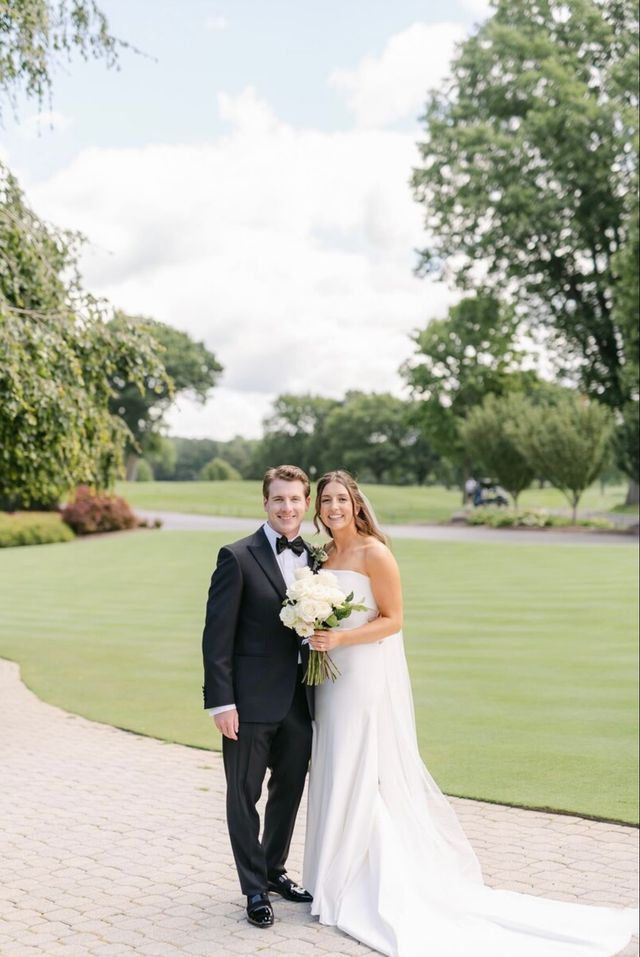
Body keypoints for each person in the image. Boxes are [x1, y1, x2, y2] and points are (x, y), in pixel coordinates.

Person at [303, 469, 638, 957]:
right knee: (333, 762)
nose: (333, 507)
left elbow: (393, 621)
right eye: (326, 500)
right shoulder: (322, 555)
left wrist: (341, 638)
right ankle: (328, 873)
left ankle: (356, 879)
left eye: (341, 499)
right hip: (330, 679)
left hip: (363, 676)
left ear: (356, 504)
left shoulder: (376, 553)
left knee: (361, 767)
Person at [201, 464, 314, 928]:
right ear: (265, 503)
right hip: (247, 704)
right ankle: (253, 889)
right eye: (278, 499)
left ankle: (273, 869)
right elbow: (216, 636)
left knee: (288, 790)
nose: (287, 508)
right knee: (243, 795)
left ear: (305, 503)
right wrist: (221, 701)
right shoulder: (237, 556)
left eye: (295, 499)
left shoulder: (316, 559)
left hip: (300, 702)